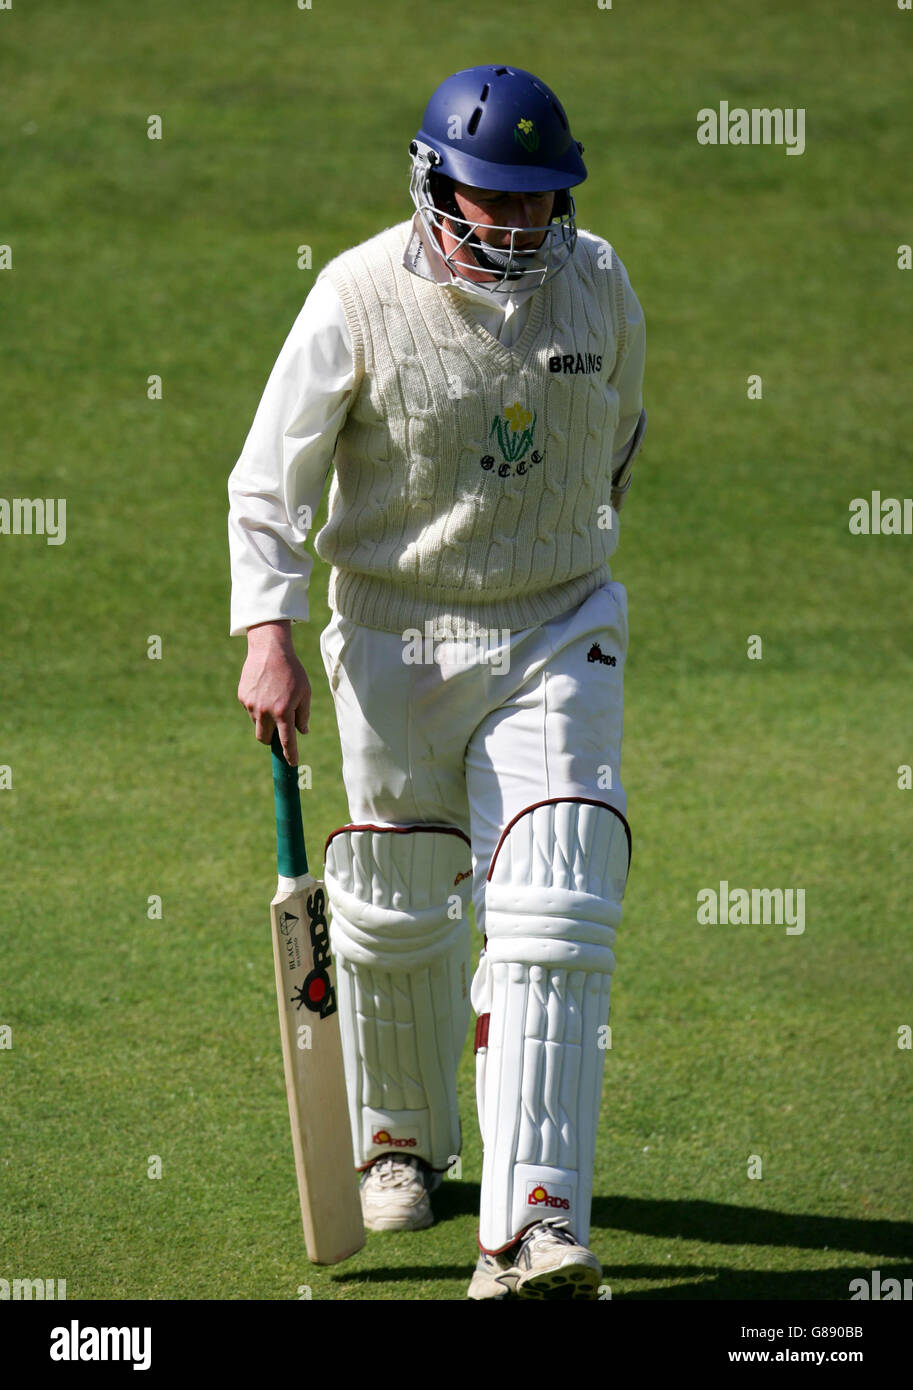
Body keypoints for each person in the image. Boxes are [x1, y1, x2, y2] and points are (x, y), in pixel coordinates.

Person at [228, 63, 647, 1301]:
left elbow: (616, 434)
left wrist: (552, 548)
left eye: (537, 202)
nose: (516, 225)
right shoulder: (357, 294)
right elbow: (270, 481)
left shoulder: (602, 280)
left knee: (558, 894)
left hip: (560, 620)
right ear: (434, 184)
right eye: (491, 200)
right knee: (400, 900)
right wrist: (271, 631)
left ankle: (532, 1224)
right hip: (397, 632)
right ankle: (399, 1144)